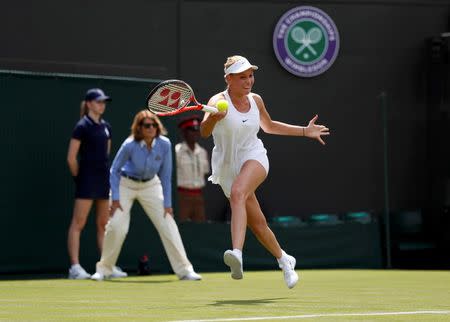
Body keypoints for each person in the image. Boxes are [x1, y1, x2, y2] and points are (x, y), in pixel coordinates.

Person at [200, 55, 330, 289]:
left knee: (239, 193)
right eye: (242, 77)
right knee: (258, 224)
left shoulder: (256, 100)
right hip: (228, 167)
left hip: (254, 156)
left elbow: (268, 126)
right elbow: (204, 132)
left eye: (251, 75)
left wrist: (304, 131)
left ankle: (236, 254)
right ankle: (285, 260)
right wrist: (213, 118)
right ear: (228, 79)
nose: (249, 81)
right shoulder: (217, 100)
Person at [91, 110, 202, 281]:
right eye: (146, 125)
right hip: (126, 184)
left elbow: (166, 175)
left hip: (151, 185)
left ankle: (185, 270)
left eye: (154, 125)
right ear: (139, 128)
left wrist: (168, 203)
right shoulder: (129, 144)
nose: (151, 128)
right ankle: (105, 269)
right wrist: (115, 198)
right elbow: (114, 170)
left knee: (168, 224)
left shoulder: (164, 144)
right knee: (116, 226)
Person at [66, 88, 126, 279]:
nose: (102, 105)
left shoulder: (106, 126)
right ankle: (75, 267)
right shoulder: (82, 126)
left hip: (103, 179)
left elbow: (106, 154)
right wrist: (80, 177)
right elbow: (71, 158)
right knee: (78, 223)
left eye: (103, 102)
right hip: (87, 180)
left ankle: (106, 266)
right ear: (89, 103)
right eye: (98, 101)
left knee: (103, 224)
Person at [175, 115, 210, 223]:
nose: (195, 133)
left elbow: (205, 172)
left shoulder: (202, 152)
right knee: (181, 226)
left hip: (198, 196)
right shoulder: (177, 151)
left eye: (197, 129)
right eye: (191, 129)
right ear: (184, 132)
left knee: (200, 227)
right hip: (182, 196)